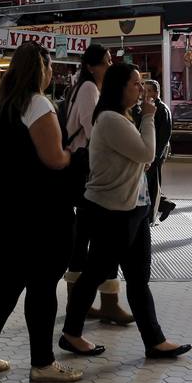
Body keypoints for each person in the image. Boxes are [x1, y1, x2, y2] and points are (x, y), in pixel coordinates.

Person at [0, 41, 80, 383]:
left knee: (2, 285)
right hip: (37, 212)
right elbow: (53, 158)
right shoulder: (37, 103)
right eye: (49, 65)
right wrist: (73, 155)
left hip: (3, 209)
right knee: (42, 285)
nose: (52, 72)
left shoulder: (5, 105)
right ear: (39, 69)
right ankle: (42, 363)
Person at [60, 63, 191, 361]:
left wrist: (143, 139)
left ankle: (154, 341)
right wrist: (149, 117)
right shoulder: (109, 119)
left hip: (134, 207)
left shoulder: (122, 117)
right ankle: (71, 333)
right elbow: (147, 153)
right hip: (112, 210)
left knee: (138, 278)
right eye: (136, 83)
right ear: (119, 87)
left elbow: (141, 157)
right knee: (95, 273)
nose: (141, 89)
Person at [61, 44, 131, 325]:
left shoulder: (86, 87)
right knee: (101, 235)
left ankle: (82, 300)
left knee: (85, 235)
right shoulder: (89, 89)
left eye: (110, 60)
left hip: (85, 168)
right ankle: (102, 302)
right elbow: (95, 130)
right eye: (105, 61)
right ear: (91, 67)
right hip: (86, 169)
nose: (109, 65)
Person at [140, 80, 175, 222]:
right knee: (148, 183)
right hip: (148, 152)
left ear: (156, 92)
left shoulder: (162, 109)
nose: (145, 93)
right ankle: (164, 205)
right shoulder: (147, 107)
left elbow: (164, 135)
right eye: (144, 90)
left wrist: (155, 155)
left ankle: (151, 215)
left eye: (149, 90)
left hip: (155, 153)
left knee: (153, 184)